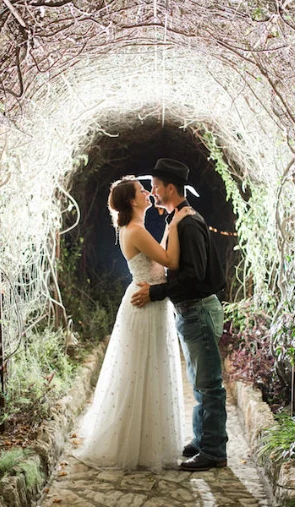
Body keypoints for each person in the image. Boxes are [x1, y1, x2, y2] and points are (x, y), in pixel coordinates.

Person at [73, 175, 193, 472]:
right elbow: (170, 261)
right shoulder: (135, 230)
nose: (148, 193)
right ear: (132, 200)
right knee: (142, 370)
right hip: (145, 303)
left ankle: (144, 441)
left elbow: (158, 259)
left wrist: (170, 225)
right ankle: (135, 444)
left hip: (148, 300)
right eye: (142, 191)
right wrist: (176, 224)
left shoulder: (136, 228)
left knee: (147, 369)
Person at [131, 158, 228, 472]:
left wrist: (156, 293)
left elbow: (194, 275)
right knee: (199, 381)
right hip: (191, 312)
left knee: (209, 384)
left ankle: (213, 451)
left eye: (156, 186)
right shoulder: (178, 218)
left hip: (199, 309)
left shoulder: (188, 222)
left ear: (170, 187)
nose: (152, 191)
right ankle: (202, 441)